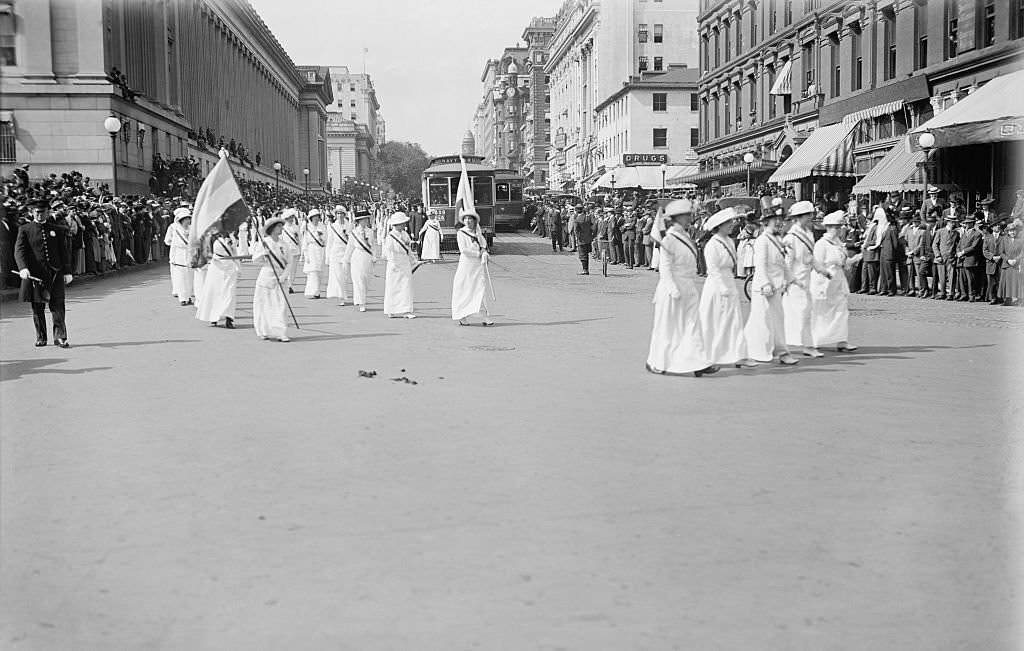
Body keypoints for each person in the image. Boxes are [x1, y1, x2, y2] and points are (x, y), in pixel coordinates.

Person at [645, 199, 718, 377]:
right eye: (685, 216)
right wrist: (673, 289)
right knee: (667, 327)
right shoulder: (669, 239)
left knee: (693, 325)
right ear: (676, 218)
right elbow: (665, 267)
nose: (689, 219)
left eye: (688, 215)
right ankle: (656, 361)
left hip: (688, 286)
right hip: (672, 289)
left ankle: (698, 361)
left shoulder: (685, 236)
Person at [698, 207, 757, 368]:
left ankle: (739, 355)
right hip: (716, 286)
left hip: (729, 281)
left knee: (734, 319)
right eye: (728, 223)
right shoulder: (712, 244)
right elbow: (713, 269)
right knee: (715, 321)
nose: (732, 225)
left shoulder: (730, 241)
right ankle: (710, 355)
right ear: (720, 225)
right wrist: (722, 287)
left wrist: (729, 286)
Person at [744, 207, 800, 366]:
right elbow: (760, 265)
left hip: (776, 286)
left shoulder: (776, 239)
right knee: (761, 320)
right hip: (764, 288)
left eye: (780, 220)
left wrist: (792, 279)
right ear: (766, 222)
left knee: (776, 319)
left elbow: (782, 264)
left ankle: (781, 351)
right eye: (776, 220)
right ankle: (755, 350)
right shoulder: (762, 240)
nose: (779, 223)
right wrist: (765, 283)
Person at [15, 199, 73, 348]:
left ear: (48, 212)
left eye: (43, 212)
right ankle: (41, 337)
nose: (40, 215)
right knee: (37, 308)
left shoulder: (56, 229)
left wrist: (67, 271)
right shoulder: (25, 229)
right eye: (37, 212)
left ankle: (60, 337)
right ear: (32, 212)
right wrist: (23, 268)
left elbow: (63, 252)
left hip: (55, 273)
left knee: (58, 305)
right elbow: (19, 251)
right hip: (36, 275)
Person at [783, 200, 831, 357]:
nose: (811, 217)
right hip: (795, 281)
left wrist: (821, 270)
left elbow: (810, 257)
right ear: (798, 217)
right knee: (803, 311)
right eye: (808, 215)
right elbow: (787, 262)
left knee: (795, 312)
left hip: (806, 278)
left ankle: (778, 343)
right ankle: (808, 346)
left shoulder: (809, 234)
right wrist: (786, 281)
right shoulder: (791, 237)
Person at [810, 211, 857, 353]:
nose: (838, 230)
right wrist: (822, 282)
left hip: (838, 280)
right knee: (820, 312)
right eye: (835, 227)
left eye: (839, 227)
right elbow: (817, 264)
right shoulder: (821, 244)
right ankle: (814, 340)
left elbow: (843, 262)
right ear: (828, 227)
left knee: (841, 309)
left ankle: (842, 340)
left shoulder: (838, 244)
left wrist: (854, 260)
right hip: (824, 282)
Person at [251, 216, 291, 342]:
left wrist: (284, 276)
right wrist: (263, 254)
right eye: (279, 226)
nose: (281, 229)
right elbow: (254, 260)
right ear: (272, 228)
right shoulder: (264, 243)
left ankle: (281, 332)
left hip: (281, 277)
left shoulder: (284, 244)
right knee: (264, 304)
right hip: (267, 276)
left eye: (281, 226)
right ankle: (264, 330)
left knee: (281, 306)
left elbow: (289, 262)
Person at [451, 210, 493, 326]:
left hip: (478, 266)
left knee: (480, 290)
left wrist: (484, 253)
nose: (468, 221)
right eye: (466, 219)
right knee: (465, 289)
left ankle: (484, 316)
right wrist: (477, 254)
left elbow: (483, 245)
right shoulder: (461, 233)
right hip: (467, 265)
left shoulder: (478, 233)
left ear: (474, 221)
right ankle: (462, 315)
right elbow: (463, 250)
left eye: (470, 219)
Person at [195, 230, 240, 328]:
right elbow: (206, 252)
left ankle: (229, 319)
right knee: (214, 292)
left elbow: (234, 253)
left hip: (229, 267)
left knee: (230, 293)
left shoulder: (232, 237)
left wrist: (238, 267)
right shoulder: (211, 237)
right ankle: (213, 317)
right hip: (216, 267)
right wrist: (213, 258)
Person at [383, 211, 417, 319]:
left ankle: (406, 310)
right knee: (393, 287)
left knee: (406, 287)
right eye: (401, 223)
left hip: (405, 264)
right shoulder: (390, 237)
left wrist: (413, 260)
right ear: (395, 224)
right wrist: (393, 264)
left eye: (403, 223)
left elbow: (408, 250)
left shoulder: (405, 234)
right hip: (395, 265)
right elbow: (389, 252)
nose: (403, 225)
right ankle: (391, 310)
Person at [346, 208, 375, 312]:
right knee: (359, 280)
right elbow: (350, 247)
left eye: (366, 219)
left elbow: (373, 246)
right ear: (359, 221)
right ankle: (361, 302)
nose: (365, 221)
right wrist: (346, 260)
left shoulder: (370, 231)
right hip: (357, 256)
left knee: (366, 280)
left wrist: (374, 257)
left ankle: (362, 298)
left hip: (367, 257)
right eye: (363, 219)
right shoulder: (354, 233)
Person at [164, 207, 193, 305]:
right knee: (180, 278)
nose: (188, 220)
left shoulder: (192, 228)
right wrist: (175, 244)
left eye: (189, 218)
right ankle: (183, 298)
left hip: (189, 255)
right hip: (178, 256)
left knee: (189, 277)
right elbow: (167, 241)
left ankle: (188, 296)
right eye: (186, 219)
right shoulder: (173, 228)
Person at [955, 213, 984, 301]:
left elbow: (974, 247)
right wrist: (958, 253)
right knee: (962, 278)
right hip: (962, 259)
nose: (966, 225)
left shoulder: (977, 234)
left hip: (970, 259)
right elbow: (959, 245)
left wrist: (963, 252)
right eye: (966, 223)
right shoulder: (964, 234)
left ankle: (972, 295)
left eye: (968, 223)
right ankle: (964, 294)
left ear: (972, 224)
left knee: (970, 278)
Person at [326, 206, 351, 306]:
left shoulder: (349, 225)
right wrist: (327, 257)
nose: (340, 216)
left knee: (344, 275)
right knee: (337, 275)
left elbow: (351, 241)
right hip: (335, 252)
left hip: (345, 252)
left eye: (341, 213)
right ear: (335, 215)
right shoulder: (332, 226)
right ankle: (341, 297)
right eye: (338, 214)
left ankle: (342, 294)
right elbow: (330, 242)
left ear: (344, 215)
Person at [932, 212, 960, 300]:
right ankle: (943, 292)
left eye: (954, 222)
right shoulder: (940, 231)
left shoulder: (956, 233)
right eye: (952, 222)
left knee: (951, 275)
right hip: (941, 257)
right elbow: (934, 245)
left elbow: (958, 245)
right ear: (948, 222)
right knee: (942, 276)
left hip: (951, 257)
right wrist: (937, 255)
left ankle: (951, 293)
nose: (953, 224)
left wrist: (956, 253)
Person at [301, 208, 326, 299]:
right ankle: (312, 291)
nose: (316, 219)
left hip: (320, 249)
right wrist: (306, 255)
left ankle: (317, 291)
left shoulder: (322, 226)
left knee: (319, 272)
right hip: (311, 250)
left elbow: (325, 238)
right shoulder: (308, 228)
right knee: (313, 271)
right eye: (314, 217)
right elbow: (304, 242)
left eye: (317, 217)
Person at [997, 220, 1022, 306]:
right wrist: (1008, 260)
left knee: (1017, 282)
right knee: (1007, 282)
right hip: (1007, 264)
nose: (1012, 232)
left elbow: (1023, 252)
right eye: (1010, 231)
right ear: (1007, 232)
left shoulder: (1020, 240)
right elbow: (1001, 252)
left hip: (1016, 264)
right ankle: (1008, 299)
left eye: (1014, 230)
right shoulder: (1004, 240)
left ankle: (1019, 299)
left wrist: (1016, 260)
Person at [280, 208, 301, 294]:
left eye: (292, 217)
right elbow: (280, 240)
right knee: (287, 269)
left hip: (295, 250)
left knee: (293, 269)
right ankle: (287, 285)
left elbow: (300, 239)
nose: (291, 219)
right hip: (286, 251)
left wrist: (301, 250)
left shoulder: (296, 227)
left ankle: (290, 284)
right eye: (289, 218)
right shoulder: (283, 228)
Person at [983, 221, 1003, 304]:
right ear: (992, 228)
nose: (997, 227)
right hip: (990, 263)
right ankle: (993, 298)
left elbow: (1006, 249)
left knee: (1000, 281)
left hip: (1000, 262)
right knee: (991, 282)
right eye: (995, 226)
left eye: (998, 225)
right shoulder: (987, 237)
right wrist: (992, 257)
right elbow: (984, 250)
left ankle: (1000, 298)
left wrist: (1000, 256)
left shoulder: (1004, 237)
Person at [571, 204, 595, 275]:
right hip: (588, 239)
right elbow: (594, 225)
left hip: (581, 240)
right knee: (586, 254)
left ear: (576, 210)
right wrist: (592, 234)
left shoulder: (577, 220)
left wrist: (578, 238)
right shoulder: (588, 218)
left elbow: (576, 231)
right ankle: (586, 269)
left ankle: (585, 270)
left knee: (582, 255)